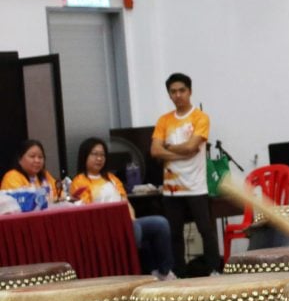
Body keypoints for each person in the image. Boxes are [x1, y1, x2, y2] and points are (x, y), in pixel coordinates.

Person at [70, 138, 176, 280]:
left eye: (102, 155)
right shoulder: (79, 181)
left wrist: (131, 219)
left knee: (160, 223)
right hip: (103, 228)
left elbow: (126, 202)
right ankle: (142, 271)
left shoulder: (111, 178)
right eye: (94, 154)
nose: (99, 158)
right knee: (136, 230)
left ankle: (164, 272)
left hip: (125, 223)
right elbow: (87, 210)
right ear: (84, 156)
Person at [150, 73, 221, 276]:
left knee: (205, 230)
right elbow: (155, 151)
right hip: (172, 187)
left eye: (182, 90)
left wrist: (169, 149)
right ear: (169, 95)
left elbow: (193, 146)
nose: (178, 95)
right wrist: (183, 150)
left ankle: (214, 269)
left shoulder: (200, 117)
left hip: (196, 185)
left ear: (189, 91)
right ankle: (178, 272)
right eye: (173, 92)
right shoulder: (164, 120)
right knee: (174, 234)